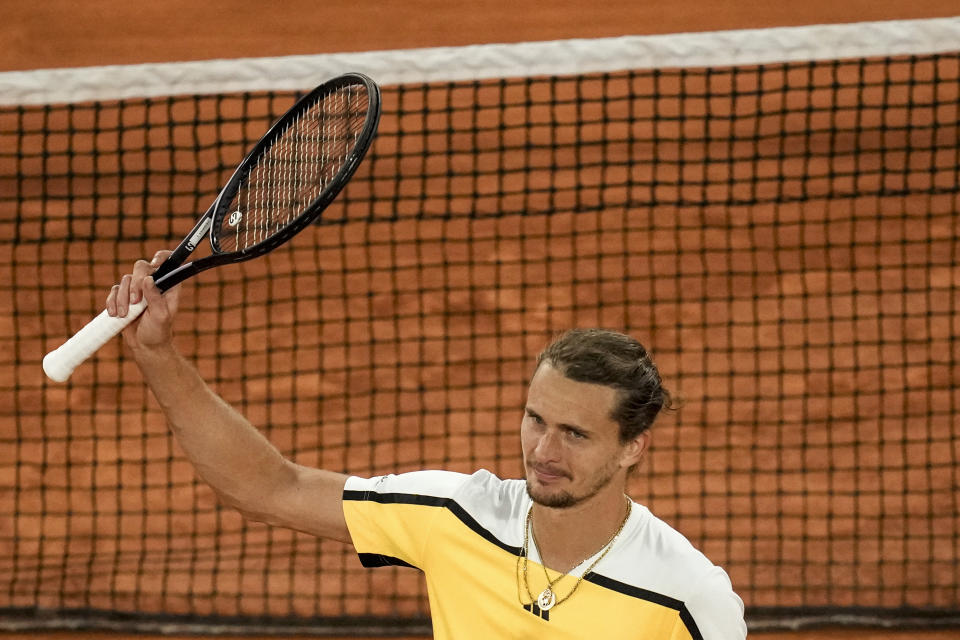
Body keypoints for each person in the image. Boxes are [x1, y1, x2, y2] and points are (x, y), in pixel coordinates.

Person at [107, 250, 747, 640]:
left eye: (576, 434)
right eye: (535, 420)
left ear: (633, 446)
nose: (543, 450)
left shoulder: (688, 596)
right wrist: (159, 355)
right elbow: (269, 488)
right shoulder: (456, 517)